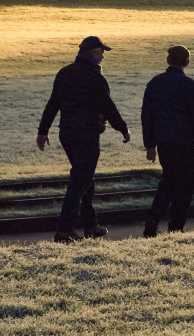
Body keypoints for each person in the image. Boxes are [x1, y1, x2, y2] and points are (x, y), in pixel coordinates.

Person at [37, 34, 130, 242]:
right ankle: (64, 230)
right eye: (102, 53)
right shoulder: (95, 76)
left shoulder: (65, 73)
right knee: (80, 181)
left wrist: (43, 131)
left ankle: (91, 225)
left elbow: (53, 103)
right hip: (87, 133)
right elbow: (107, 105)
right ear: (95, 53)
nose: (103, 57)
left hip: (67, 132)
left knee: (85, 177)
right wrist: (123, 129)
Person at [141, 45, 194, 236]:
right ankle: (176, 226)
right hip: (184, 143)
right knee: (185, 185)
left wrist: (150, 145)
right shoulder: (189, 85)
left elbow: (146, 116)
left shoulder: (155, 83)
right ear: (187, 62)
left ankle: (154, 217)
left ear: (168, 60)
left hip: (164, 143)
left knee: (168, 180)